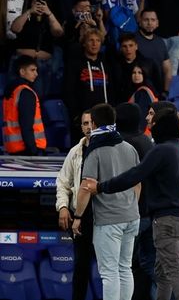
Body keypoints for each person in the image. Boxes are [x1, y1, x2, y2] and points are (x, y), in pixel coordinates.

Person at [88, 107, 179, 300]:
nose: (150, 127)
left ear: (161, 128)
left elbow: (134, 176)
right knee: (162, 273)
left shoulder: (161, 150)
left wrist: (102, 187)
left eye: (153, 124)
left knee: (174, 270)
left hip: (166, 220)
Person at [72, 103, 141, 300]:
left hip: (109, 220)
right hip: (131, 216)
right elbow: (138, 184)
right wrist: (129, 205)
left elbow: (86, 187)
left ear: (93, 123)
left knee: (109, 272)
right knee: (124, 268)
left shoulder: (95, 150)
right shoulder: (129, 148)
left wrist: (78, 216)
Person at [55, 110, 93, 300]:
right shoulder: (75, 151)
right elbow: (63, 182)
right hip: (80, 216)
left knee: (109, 268)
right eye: (85, 123)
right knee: (81, 266)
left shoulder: (108, 149)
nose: (88, 127)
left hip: (104, 218)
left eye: (91, 123)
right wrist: (62, 206)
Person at [2, 55, 46, 155]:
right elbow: (26, 124)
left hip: (13, 148)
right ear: (22, 72)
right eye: (32, 70)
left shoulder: (11, 91)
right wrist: (34, 151)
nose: (36, 74)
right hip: (28, 150)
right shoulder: (25, 92)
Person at [135, 9, 172, 96]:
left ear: (157, 23)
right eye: (146, 20)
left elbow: (167, 69)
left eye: (153, 20)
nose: (149, 23)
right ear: (140, 22)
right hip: (137, 92)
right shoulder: (133, 40)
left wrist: (165, 91)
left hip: (157, 92)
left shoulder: (160, 42)